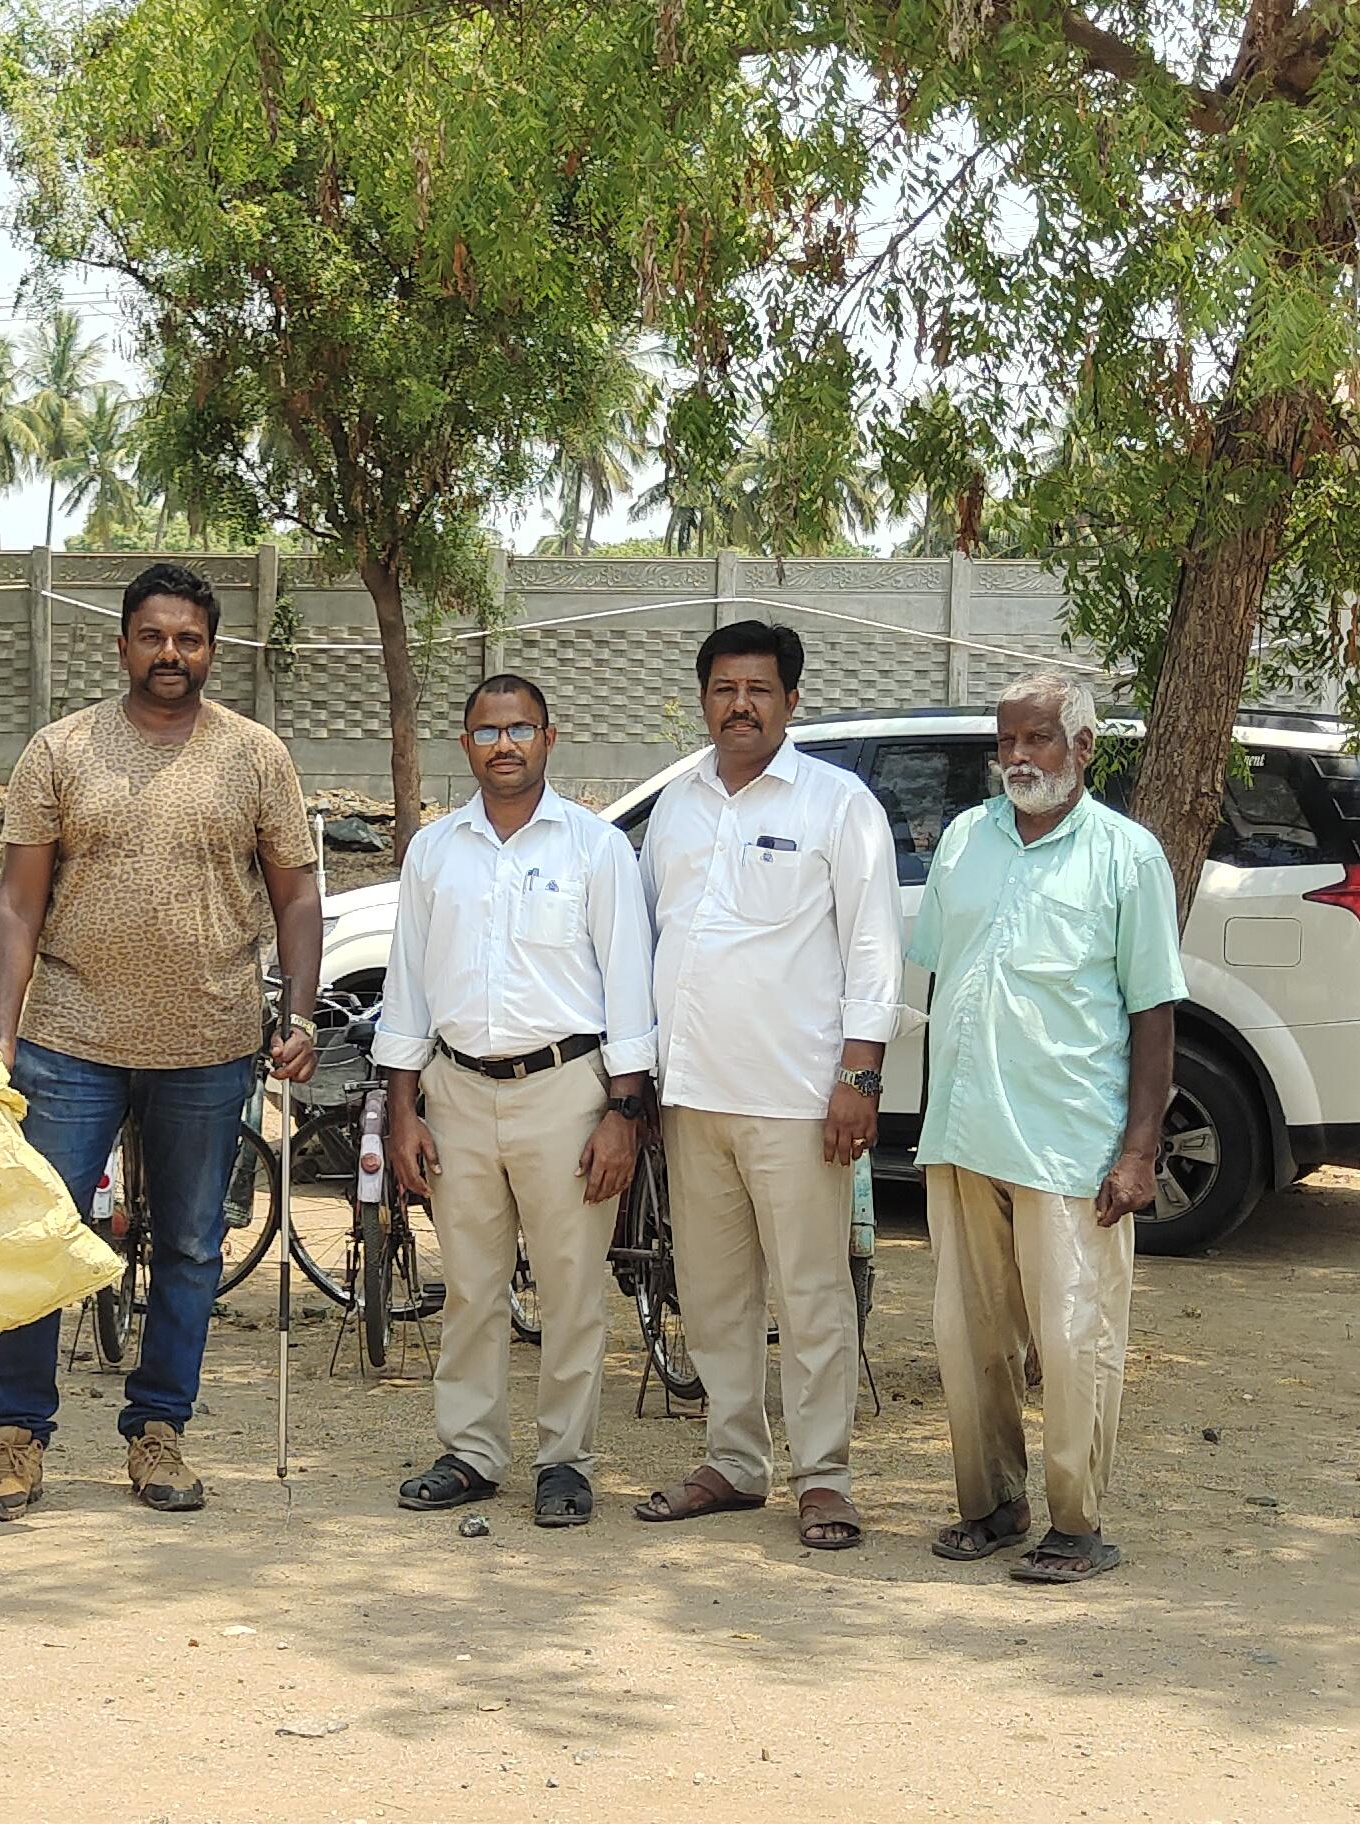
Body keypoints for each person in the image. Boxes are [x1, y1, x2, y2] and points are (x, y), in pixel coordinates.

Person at [0, 561, 322, 1521]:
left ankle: (159, 1429)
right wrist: (1, 1036)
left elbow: (296, 896)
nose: (172, 653)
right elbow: (16, 903)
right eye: (154, 637)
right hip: (68, 1039)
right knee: (36, 1235)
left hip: (208, 1041)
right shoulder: (60, 750)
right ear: (123, 644)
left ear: (213, 649)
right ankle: (15, 1436)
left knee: (193, 1247)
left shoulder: (256, 756)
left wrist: (297, 1015)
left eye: (190, 639)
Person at [631, 620, 901, 1551]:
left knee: (813, 1293)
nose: (739, 705)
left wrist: (859, 1076)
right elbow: (652, 940)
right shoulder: (677, 806)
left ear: (791, 701)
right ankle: (734, 1460)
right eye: (723, 689)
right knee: (712, 1294)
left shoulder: (838, 804)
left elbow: (874, 948)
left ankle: (824, 1476)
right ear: (704, 700)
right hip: (691, 1095)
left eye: (758, 690)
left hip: (798, 1098)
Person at [912, 673, 1181, 1584]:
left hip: (1068, 1142)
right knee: (970, 1340)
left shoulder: (1127, 857)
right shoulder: (964, 839)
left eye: (1038, 740)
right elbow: (943, 978)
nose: (1019, 759)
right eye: (1008, 743)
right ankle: (992, 1505)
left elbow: (1153, 1011)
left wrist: (1139, 1151)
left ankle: (1077, 1524)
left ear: (1084, 748)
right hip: (964, 1134)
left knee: (1074, 1343)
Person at [372, 675, 658, 1529]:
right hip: (456, 1090)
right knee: (470, 1284)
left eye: (521, 729)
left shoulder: (595, 848)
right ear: (466, 745)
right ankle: (471, 1451)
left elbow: (629, 987)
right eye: (488, 732)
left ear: (549, 738)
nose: (505, 745)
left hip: (566, 1092)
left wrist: (623, 1113)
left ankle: (564, 1462)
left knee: (571, 1290)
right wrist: (402, 1108)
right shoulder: (434, 851)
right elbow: (407, 987)